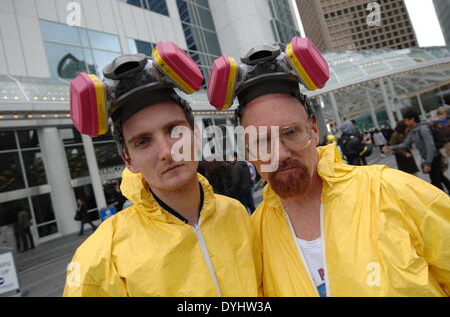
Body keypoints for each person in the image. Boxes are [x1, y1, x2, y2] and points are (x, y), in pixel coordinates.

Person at [207, 37, 450, 296]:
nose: (279, 153)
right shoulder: (253, 239)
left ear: (313, 128)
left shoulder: (393, 192)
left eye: (290, 132)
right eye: (262, 140)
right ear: (248, 150)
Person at [64, 43, 261, 296]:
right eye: (143, 141)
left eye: (174, 131)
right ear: (129, 159)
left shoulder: (236, 215)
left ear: (196, 136)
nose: (166, 151)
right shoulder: (100, 257)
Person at [384, 109, 450, 194]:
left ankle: (443, 202)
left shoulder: (423, 129)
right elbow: (406, 143)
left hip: (434, 157)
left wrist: (428, 163)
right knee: (440, 177)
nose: (405, 122)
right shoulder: (413, 130)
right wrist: (392, 147)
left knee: (435, 182)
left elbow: (431, 147)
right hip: (429, 158)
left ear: (412, 119)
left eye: (406, 120)